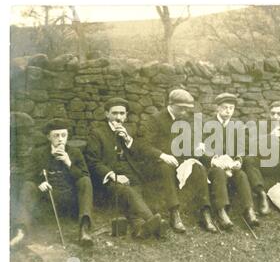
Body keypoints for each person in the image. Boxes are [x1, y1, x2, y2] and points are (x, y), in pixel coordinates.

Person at [85, 98, 167, 239]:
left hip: (131, 173)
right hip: (110, 179)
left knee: (135, 190)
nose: (118, 117)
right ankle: (151, 220)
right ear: (107, 114)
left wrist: (128, 140)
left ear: (126, 115)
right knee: (127, 191)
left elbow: (140, 153)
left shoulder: (130, 130)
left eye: (122, 113)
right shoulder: (97, 133)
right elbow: (93, 162)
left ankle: (139, 229)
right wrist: (113, 176)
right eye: (114, 113)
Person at [138, 89, 218, 233]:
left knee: (199, 168)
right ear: (171, 104)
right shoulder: (155, 119)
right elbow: (143, 145)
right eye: (181, 108)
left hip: (179, 160)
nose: (184, 112)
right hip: (157, 162)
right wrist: (162, 155)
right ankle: (174, 213)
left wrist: (199, 149)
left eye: (186, 109)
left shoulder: (184, 120)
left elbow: (190, 143)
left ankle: (205, 212)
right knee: (166, 168)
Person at [13, 118, 94, 248]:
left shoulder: (75, 153)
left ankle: (84, 229)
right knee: (28, 186)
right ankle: (21, 231)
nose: (61, 139)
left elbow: (84, 176)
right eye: (56, 136)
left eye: (64, 135)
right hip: (47, 198)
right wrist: (40, 182)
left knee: (85, 181)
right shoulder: (38, 153)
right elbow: (28, 174)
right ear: (48, 137)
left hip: (69, 198)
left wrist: (69, 163)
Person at [202, 93, 260, 230]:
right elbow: (200, 148)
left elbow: (243, 148)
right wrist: (213, 159)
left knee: (241, 174)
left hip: (231, 165)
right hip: (213, 165)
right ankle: (221, 212)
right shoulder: (207, 125)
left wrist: (238, 160)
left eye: (231, 108)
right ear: (217, 108)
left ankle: (249, 210)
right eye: (224, 107)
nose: (228, 111)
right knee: (218, 173)